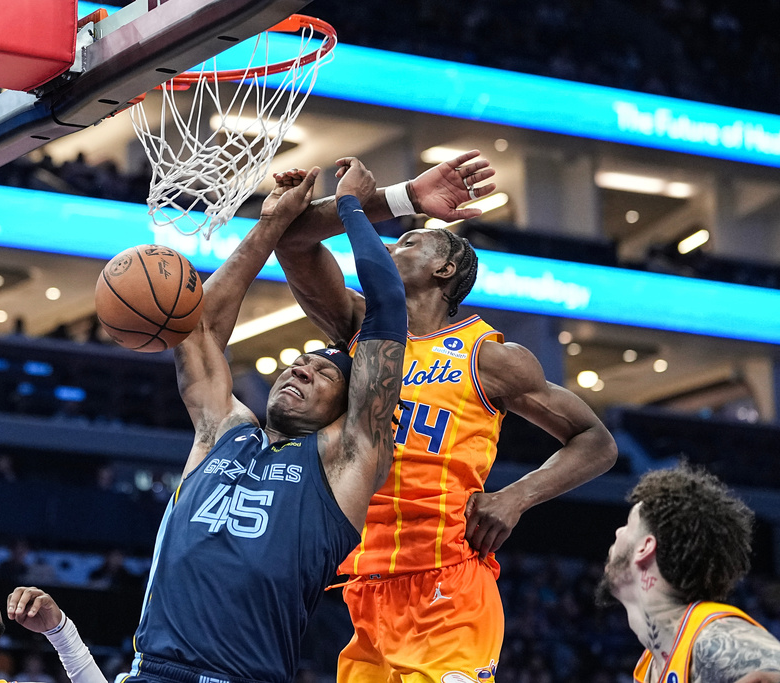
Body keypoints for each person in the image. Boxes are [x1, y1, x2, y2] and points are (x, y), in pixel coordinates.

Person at [273, 151, 618, 681]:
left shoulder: (488, 356)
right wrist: (398, 198)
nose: (389, 245)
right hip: (365, 588)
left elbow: (596, 441)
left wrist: (516, 496)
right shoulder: (360, 325)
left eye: (408, 241)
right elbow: (293, 240)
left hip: (448, 585)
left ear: (445, 267)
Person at [127, 158, 408, 683]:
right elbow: (200, 327)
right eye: (300, 361)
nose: (301, 367)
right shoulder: (223, 433)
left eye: (323, 372)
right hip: (151, 673)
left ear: (349, 409)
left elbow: (387, 313)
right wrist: (270, 224)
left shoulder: (347, 458)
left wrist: (352, 208)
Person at [598, 464, 780, 683]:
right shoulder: (651, 666)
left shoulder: (713, 637)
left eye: (627, 525)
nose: (618, 532)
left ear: (644, 548)